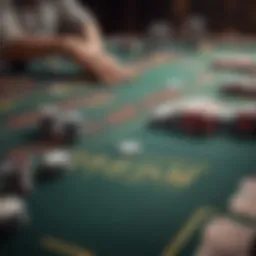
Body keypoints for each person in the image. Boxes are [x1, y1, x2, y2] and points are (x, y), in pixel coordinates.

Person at [0, 0, 174, 83]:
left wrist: (94, 49)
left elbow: (86, 21)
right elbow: (8, 45)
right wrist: (67, 45)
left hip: (36, 73)